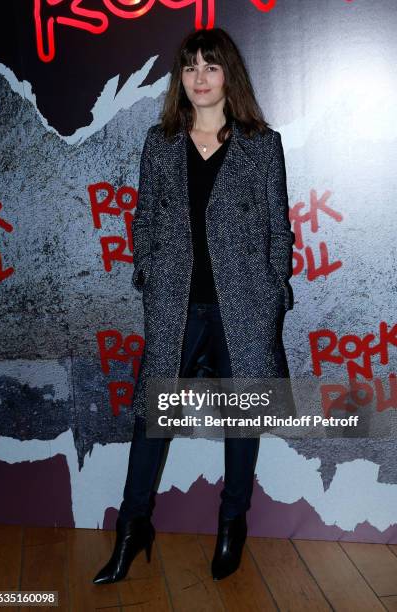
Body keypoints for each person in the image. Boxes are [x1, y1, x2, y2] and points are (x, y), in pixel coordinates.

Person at [93, 26, 295, 585]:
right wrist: (149, 277)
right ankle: (133, 527)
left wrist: (273, 293)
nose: (199, 78)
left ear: (229, 74)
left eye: (210, 66)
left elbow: (280, 229)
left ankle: (232, 522)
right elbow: (145, 219)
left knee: (242, 422)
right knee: (152, 422)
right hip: (174, 308)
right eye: (189, 68)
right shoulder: (160, 144)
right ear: (179, 79)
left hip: (245, 310)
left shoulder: (261, 143)